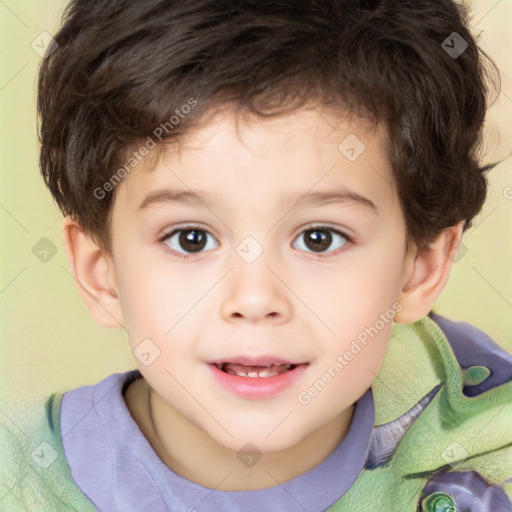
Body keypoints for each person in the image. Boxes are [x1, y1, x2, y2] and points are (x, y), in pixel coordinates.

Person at [1, 0, 511, 510]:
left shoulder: (489, 456)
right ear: (102, 275)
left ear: (421, 267)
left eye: (319, 238)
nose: (254, 299)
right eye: (190, 238)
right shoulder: (20, 480)